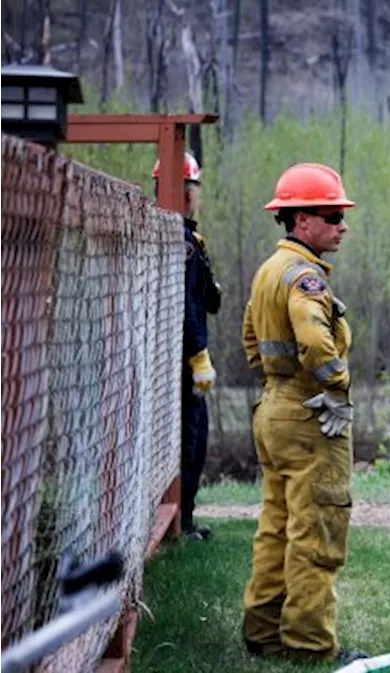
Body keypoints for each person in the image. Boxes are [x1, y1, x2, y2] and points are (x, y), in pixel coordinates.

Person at [239, 162, 368, 665]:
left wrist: (278, 381)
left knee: (276, 526)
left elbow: (252, 338)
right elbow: (316, 340)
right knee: (317, 531)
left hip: (273, 408)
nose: (342, 225)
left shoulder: (270, 270)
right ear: (301, 221)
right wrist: (336, 388)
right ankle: (310, 646)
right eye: (332, 215)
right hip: (310, 413)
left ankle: (264, 635)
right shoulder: (305, 278)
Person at [154, 151, 221, 542]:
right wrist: (198, 356)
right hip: (182, 358)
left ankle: (184, 519)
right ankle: (184, 523)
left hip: (173, 355)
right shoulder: (181, 243)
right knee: (190, 438)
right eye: (191, 187)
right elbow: (187, 307)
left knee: (190, 437)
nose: (195, 195)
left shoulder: (187, 238)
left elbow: (207, 300)